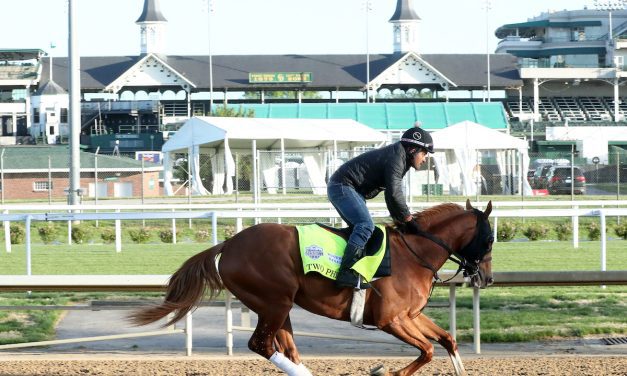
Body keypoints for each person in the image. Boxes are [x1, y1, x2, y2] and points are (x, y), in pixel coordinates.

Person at [327, 123, 434, 288]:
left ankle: (352, 269)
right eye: (424, 153)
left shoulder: (400, 157)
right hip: (342, 186)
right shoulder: (397, 158)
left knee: (362, 229)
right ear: (413, 150)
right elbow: (394, 193)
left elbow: (390, 197)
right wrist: (407, 218)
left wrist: (400, 221)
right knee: (365, 226)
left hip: (350, 189)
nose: (426, 158)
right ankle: (345, 273)